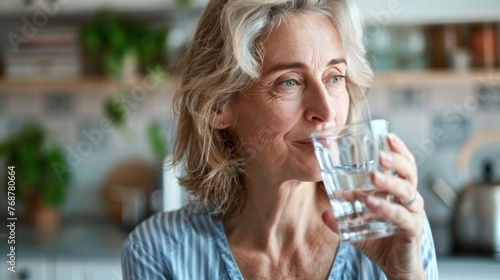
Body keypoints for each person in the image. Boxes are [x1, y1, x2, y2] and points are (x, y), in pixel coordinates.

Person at [122, 0, 439, 279]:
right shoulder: (160, 252)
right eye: (289, 81)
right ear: (219, 106)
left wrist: (406, 276)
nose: (325, 110)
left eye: (334, 77)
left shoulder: (395, 229)